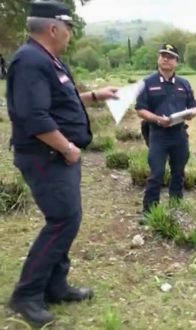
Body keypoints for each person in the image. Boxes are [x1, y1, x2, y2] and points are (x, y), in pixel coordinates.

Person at [6, 1, 119, 326]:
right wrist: (68, 148)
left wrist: (95, 95)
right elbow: (34, 116)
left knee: (67, 219)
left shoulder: (48, 60)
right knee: (62, 221)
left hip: (58, 156)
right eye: (68, 28)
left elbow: (60, 100)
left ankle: (55, 285)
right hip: (46, 157)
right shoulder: (29, 62)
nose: (70, 34)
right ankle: (26, 295)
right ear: (53, 28)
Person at [135, 43, 196, 218]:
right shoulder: (148, 82)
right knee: (157, 174)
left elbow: (194, 106)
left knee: (178, 173)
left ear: (176, 61)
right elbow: (140, 109)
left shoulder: (184, 84)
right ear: (158, 59)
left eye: (170, 57)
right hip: (158, 135)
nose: (166, 59)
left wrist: (191, 113)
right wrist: (156, 119)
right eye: (163, 55)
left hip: (179, 134)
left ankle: (176, 208)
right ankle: (149, 212)